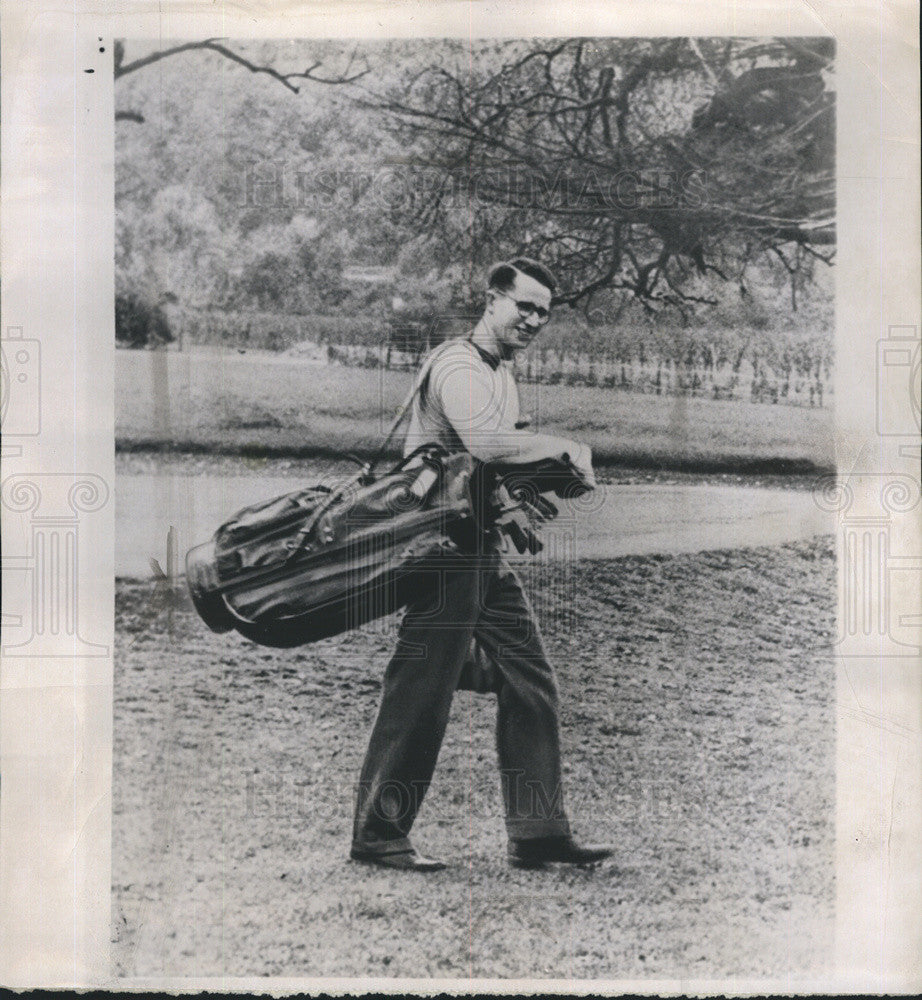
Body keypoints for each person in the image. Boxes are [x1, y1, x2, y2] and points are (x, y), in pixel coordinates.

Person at [350, 258, 613, 871]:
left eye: (544, 312)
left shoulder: (503, 374)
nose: (534, 319)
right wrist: (567, 448)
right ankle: (378, 836)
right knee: (421, 687)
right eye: (524, 305)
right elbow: (489, 444)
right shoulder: (460, 366)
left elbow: (489, 466)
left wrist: (519, 505)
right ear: (492, 300)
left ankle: (539, 832)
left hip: (476, 544)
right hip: (437, 547)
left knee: (529, 676)